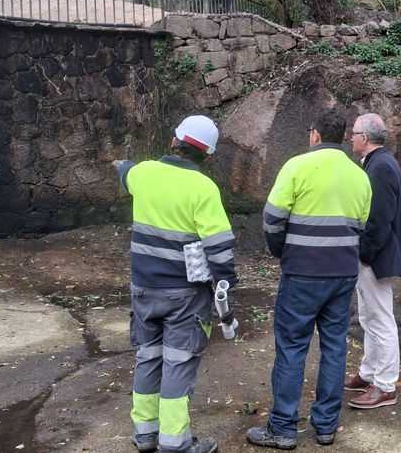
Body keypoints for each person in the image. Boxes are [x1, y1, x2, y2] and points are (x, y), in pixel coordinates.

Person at [247, 108, 372, 450]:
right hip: (343, 274)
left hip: (302, 273)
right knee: (335, 347)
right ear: (343, 136)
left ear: (315, 133)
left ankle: (283, 428)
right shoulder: (359, 175)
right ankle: (326, 427)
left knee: (291, 348)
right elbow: (361, 226)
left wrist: (282, 251)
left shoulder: (297, 166)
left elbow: (272, 219)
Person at [115, 114, 238, 453]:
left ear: (174, 141)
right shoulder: (202, 188)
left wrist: (122, 164)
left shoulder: (143, 174)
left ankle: (145, 434)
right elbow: (219, 249)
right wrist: (227, 290)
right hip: (185, 296)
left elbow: (126, 171)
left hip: (143, 290)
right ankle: (176, 443)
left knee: (148, 357)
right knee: (178, 362)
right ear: (207, 156)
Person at [344, 113, 401, 409]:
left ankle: (385, 386)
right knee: (369, 316)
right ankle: (369, 372)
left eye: (353, 133)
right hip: (374, 256)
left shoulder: (382, 166)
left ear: (364, 138)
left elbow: (379, 219)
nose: (350, 138)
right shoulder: (377, 162)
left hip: (376, 257)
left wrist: (364, 255)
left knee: (381, 319)